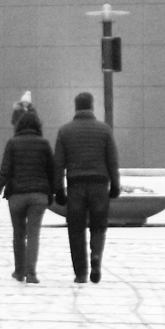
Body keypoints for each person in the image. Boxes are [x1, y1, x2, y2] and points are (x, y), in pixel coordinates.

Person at [53, 90, 119, 283]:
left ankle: (80, 273)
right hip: (99, 185)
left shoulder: (65, 131)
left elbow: (59, 163)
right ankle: (96, 257)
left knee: (76, 229)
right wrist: (115, 185)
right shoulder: (104, 130)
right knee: (98, 226)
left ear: (76, 107)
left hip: (76, 186)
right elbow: (112, 161)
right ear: (91, 106)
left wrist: (58, 189)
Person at [0, 107, 57, 283]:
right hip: (38, 196)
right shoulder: (44, 144)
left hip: (17, 196)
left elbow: (5, 171)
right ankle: (31, 273)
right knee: (34, 233)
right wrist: (53, 193)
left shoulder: (12, 143)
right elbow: (52, 172)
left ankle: (19, 271)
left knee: (18, 234)